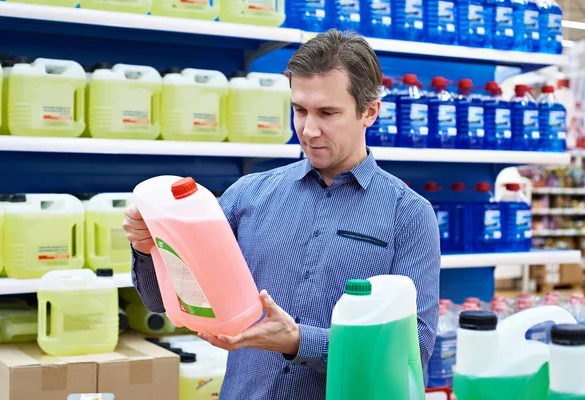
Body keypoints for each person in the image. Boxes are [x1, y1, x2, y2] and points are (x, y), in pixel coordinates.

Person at [124, 29, 440, 400]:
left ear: (369, 111)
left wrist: (298, 341)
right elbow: (162, 302)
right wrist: (149, 249)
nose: (309, 129)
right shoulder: (247, 196)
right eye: (300, 110)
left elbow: (413, 350)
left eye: (327, 113)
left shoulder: (409, 215)